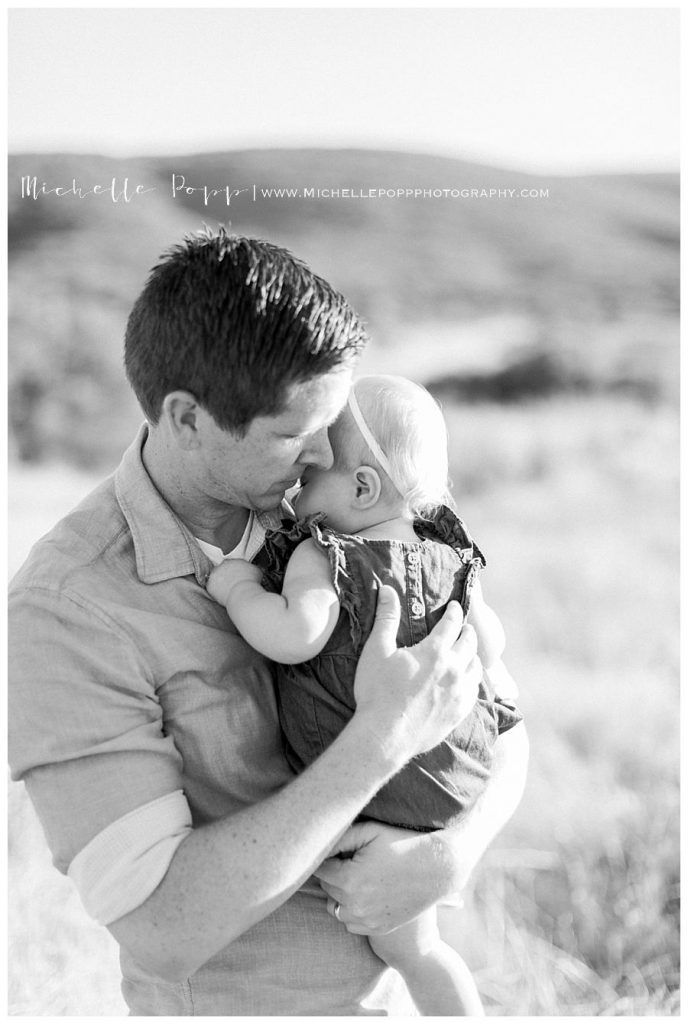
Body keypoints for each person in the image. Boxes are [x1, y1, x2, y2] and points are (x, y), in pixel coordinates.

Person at [9, 229, 528, 1015]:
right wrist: (378, 743)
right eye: (293, 433)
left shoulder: (345, 515)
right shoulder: (68, 609)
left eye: (333, 422)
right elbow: (161, 925)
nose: (324, 456)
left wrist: (453, 853)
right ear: (186, 418)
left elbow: (499, 713)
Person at [206, 373, 522, 1015]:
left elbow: (296, 635)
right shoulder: (454, 561)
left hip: (377, 787)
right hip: (451, 782)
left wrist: (238, 589)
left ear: (361, 488)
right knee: (422, 951)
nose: (297, 493)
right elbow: (489, 648)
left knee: (401, 945)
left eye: (311, 478)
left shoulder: (326, 554)